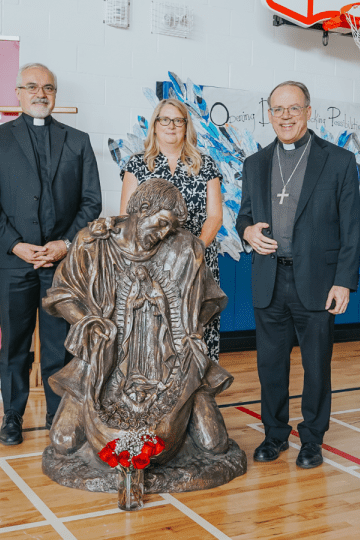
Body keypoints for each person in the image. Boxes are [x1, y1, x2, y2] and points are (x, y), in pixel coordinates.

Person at [41, 179, 241, 491]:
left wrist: (189, 332)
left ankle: (180, 431)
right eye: (161, 224)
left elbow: (210, 300)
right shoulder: (93, 244)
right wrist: (89, 323)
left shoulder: (185, 248)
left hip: (168, 365)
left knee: (215, 443)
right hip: (104, 362)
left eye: (170, 228)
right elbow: (61, 295)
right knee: (64, 441)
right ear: (141, 210)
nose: (164, 234)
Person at [236, 81, 360, 470]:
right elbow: (244, 214)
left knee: (316, 366)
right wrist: (247, 231)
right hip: (269, 279)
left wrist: (344, 281)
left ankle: (312, 439)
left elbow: (351, 227)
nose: (285, 116)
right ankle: (275, 434)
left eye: (294, 108)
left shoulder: (339, 161)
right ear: (269, 114)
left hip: (318, 282)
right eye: (278, 109)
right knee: (270, 366)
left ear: (309, 111)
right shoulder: (254, 163)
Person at [0, 62, 102, 446]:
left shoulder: (78, 141)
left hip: (61, 265)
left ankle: (57, 416)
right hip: (14, 261)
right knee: (14, 344)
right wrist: (16, 244)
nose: (40, 93)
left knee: (58, 346)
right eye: (31, 86)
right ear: (18, 93)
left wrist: (64, 244)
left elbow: (91, 202)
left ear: (55, 94)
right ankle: (11, 416)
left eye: (48, 87)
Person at [119, 98, 223, 364]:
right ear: (154, 125)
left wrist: (195, 249)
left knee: (196, 326)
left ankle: (198, 396)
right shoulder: (136, 165)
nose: (172, 126)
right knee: (154, 331)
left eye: (178, 120)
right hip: (151, 264)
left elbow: (214, 217)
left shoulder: (205, 164)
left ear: (187, 127)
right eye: (165, 119)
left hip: (196, 259)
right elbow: (127, 220)